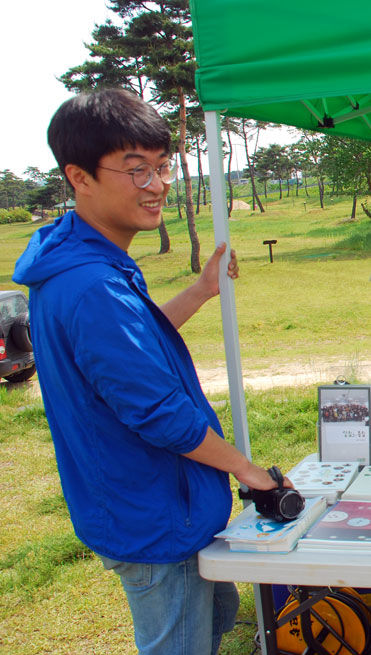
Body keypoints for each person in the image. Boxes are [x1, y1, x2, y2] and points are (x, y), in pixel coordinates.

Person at [12, 89, 286, 655]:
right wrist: (250, 472)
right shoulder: (91, 285)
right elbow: (159, 413)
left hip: (159, 504)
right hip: (153, 514)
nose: (158, 185)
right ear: (79, 176)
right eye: (136, 171)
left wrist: (201, 290)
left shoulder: (87, 260)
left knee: (211, 624)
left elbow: (132, 347)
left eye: (162, 168)